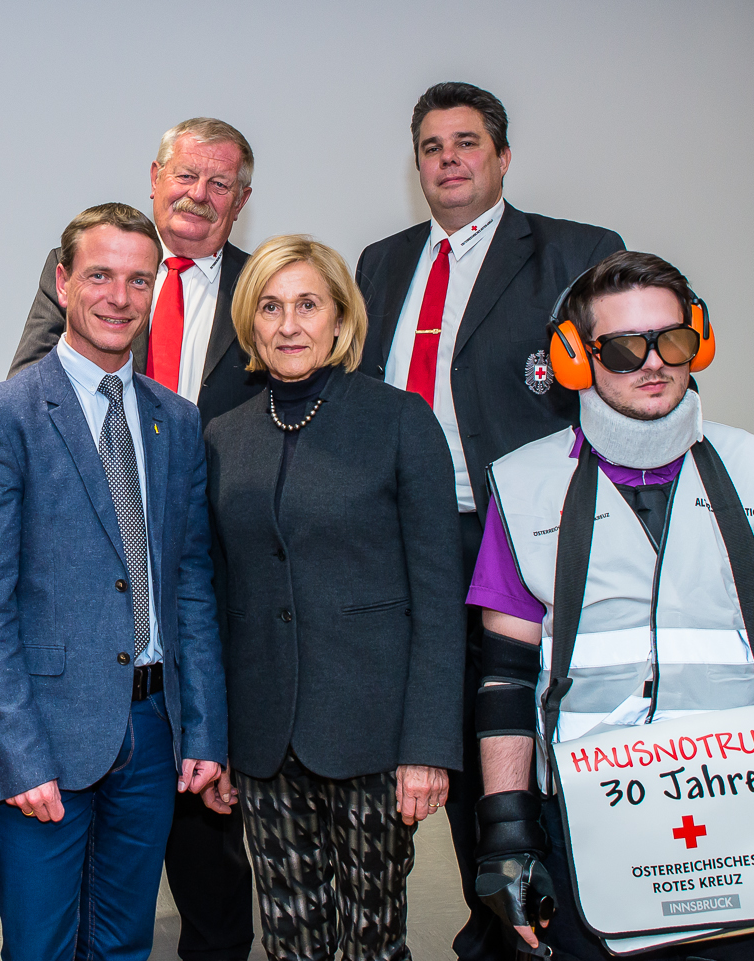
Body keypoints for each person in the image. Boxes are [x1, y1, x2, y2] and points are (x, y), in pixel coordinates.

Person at [466, 251, 754, 960]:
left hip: (746, 808)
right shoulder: (523, 484)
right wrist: (508, 829)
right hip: (592, 815)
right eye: (624, 349)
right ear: (574, 358)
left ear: (701, 341)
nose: (652, 362)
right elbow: (505, 679)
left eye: (674, 340)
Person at [353, 81, 626, 961]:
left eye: (467, 142)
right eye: (432, 147)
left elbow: (611, 390)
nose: (449, 160)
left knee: (541, 728)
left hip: (522, 536)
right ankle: (496, 919)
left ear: (502, 157)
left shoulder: (574, 253)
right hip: (410, 537)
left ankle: (575, 915)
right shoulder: (381, 263)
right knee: (452, 734)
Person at [0, 203, 228, 960]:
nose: (119, 296)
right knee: (40, 947)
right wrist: (17, 753)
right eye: (99, 275)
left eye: (139, 280)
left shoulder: (177, 419)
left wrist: (203, 727)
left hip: (153, 731)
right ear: (64, 282)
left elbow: (190, 584)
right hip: (45, 737)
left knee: (124, 943)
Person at [8, 116, 259, 961]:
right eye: (186, 176)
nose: (199, 194)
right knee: (48, 930)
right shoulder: (24, 386)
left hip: (198, 636)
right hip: (72, 667)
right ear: (156, 179)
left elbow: (192, 570)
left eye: (220, 183)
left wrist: (206, 723)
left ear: (242, 201)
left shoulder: (267, 295)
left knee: (173, 898)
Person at [201, 235, 465, 959]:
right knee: (290, 939)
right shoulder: (222, 437)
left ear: (342, 319)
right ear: (250, 324)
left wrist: (428, 747)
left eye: (307, 304)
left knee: (373, 940)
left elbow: (440, 600)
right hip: (262, 739)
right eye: (271, 307)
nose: (289, 324)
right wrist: (213, 738)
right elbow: (219, 600)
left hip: (373, 736)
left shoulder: (401, 420)